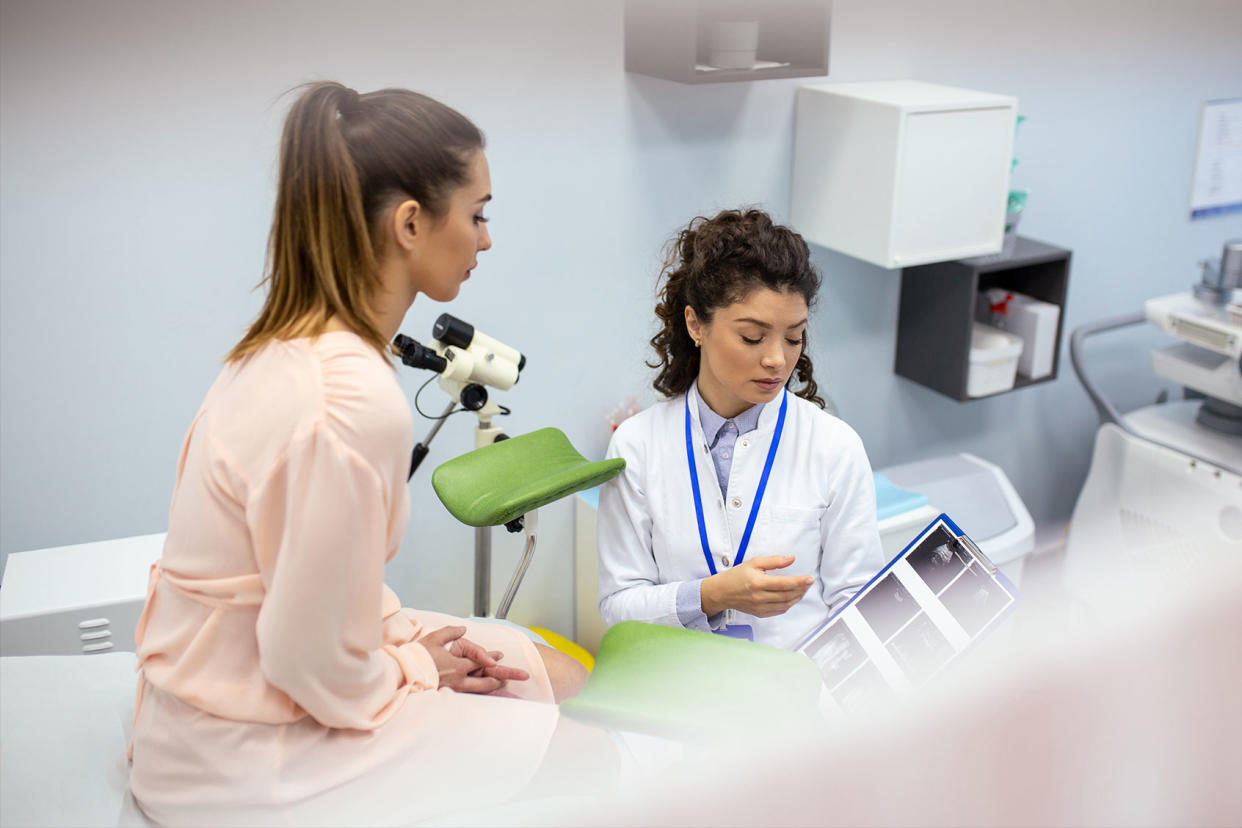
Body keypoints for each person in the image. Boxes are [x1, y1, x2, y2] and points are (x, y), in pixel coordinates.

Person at [129, 81, 587, 826]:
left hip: (255, 686)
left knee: (554, 669)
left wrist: (403, 645)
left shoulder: (288, 345)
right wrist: (412, 668)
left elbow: (307, 607)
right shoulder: (344, 401)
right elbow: (308, 662)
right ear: (411, 223)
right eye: (477, 215)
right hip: (242, 755)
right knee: (592, 761)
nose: (486, 239)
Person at [597, 208, 884, 650]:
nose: (776, 359)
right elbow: (618, 607)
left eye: (794, 337)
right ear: (696, 324)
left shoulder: (835, 447)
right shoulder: (637, 446)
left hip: (796, 694)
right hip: (677, 687)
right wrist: (711, 596)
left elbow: (858, 602)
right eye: (753, 337)